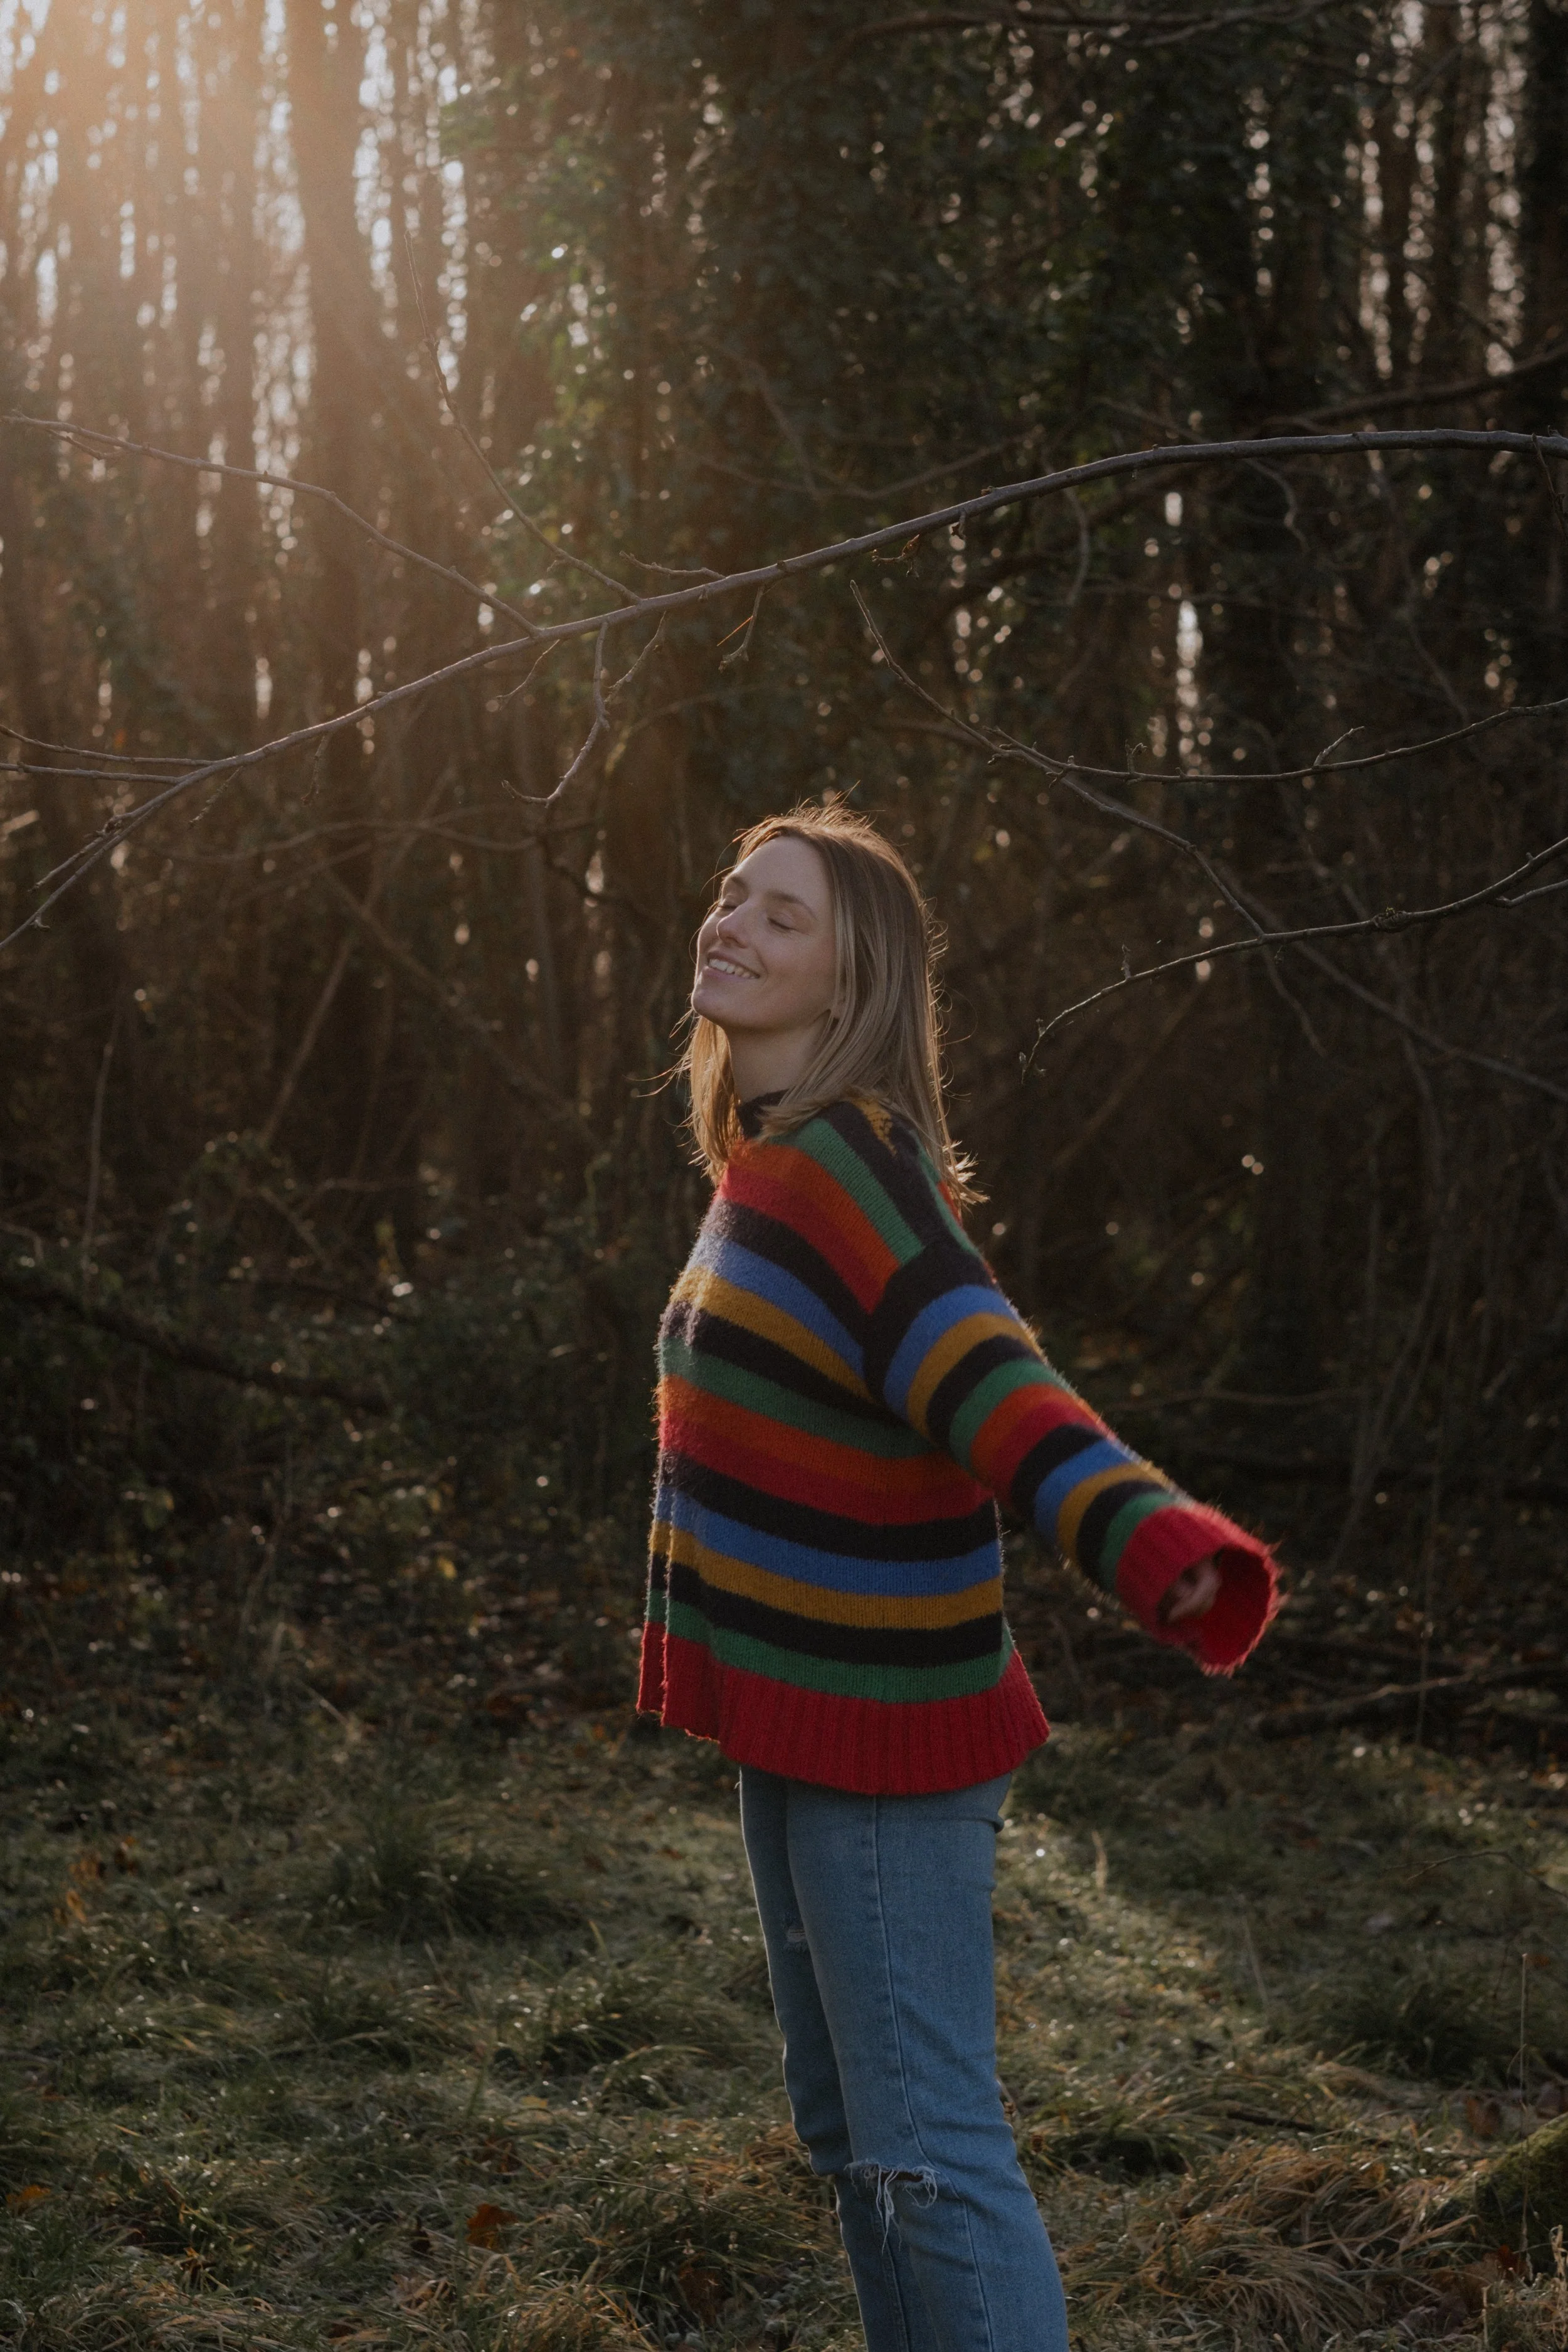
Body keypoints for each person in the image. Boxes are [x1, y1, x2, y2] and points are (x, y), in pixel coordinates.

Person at [637, 803, 1277, 2352]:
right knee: (853, 2140)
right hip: (800, 1723)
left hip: (883, 1734)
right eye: (733, 895)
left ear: (853, 981)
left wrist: (1143, 1535)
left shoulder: (852, 1171)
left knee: (926, 2153)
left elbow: (983, 1372)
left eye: (781, 916)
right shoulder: (767, 1169)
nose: (732, 922)